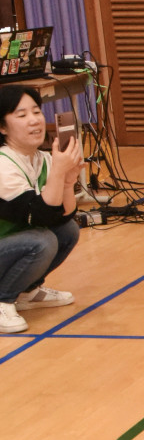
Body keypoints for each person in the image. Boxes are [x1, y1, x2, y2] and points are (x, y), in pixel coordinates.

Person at [0, 85, 84, 336]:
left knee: (67, 231)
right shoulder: (3, 164)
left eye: (36, 112)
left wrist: (67, 181)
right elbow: (37, 215)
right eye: (22, 115)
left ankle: (27, 291)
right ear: (2, 127)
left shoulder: (42, 159)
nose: (34, 120)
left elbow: (63, 216)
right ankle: (3, 299)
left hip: (8, 244)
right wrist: (58, 172)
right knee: (42, 241)